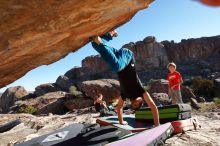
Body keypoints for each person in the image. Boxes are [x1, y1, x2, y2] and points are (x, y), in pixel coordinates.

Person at [91, 31, 160, 126]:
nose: (133, 103)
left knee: (94, 44)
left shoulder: (125, 94)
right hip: (128, 57)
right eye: (136, 104)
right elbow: (153, 107)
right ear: (140, 100)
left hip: (119, 57)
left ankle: (110, 34)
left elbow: (119, 108)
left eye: (133, 105)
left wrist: (121, 122)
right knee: (117, 66)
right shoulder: (141, 91)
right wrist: (157, 124)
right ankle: (101, 42)